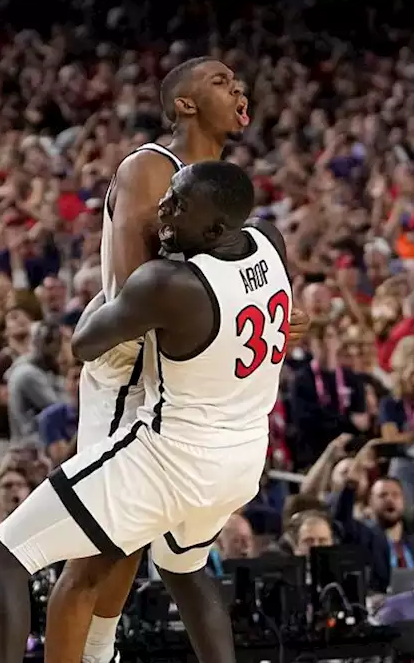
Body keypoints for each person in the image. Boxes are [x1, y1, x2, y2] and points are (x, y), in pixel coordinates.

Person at [0, 160, 290, 663]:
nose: (161, 209)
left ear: (212, 228)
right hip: (242, 460)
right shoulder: (270, 243)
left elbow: (84, 344)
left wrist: (111, 293)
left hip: (171, 459)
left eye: (178, 205)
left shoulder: (171, 283)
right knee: (185, 571)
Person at [44, 57, 304, 663]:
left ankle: (100, 652)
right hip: (130, 371)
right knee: (95, 554)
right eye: (218, 80)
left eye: (238, 79)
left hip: (179, 383)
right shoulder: (149, 169)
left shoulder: (217, 181)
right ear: (183, 104)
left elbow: (213, 293)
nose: (236, 85)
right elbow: (129, 292)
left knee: (133, 544)